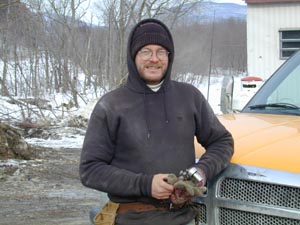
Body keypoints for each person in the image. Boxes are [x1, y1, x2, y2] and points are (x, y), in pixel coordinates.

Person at [79, 18, 234, 225]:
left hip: (183, 217)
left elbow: (222, 141)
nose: (154, 59)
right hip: (133, 219)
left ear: (169, 57)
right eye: (146, 52)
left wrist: (201, 170)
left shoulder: (189, 97)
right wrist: (145, 184)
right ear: (133, 56)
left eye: (161, 51)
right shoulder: (111, 105)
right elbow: (90, 170)